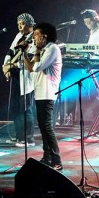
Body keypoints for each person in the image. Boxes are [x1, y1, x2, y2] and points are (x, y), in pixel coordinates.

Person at [23, 22, 63, 170]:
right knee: (42, 126)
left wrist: (37, 52)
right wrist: (24, 53)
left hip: (48, 92)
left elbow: (37, 66)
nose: (34, 38)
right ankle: (47, 157)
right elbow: (30, 68)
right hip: (40, 93)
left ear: (44, 36)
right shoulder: (43, 49)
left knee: (47, 126)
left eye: (36, 35)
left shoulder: (52, 49)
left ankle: (57, 160)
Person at [2, 13, 36, 147]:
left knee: (26, 108)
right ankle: (19, 137)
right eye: (18, 24)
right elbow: (9, 52)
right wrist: (6, 67)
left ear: (30, 24)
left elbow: (30, 59)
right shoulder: (18, 36)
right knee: (16, 108)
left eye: (22, 24)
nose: (20, 27)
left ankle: (28, 139)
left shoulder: (34, 38)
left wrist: (12, 65)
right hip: (16, 76)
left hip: (27, 78)